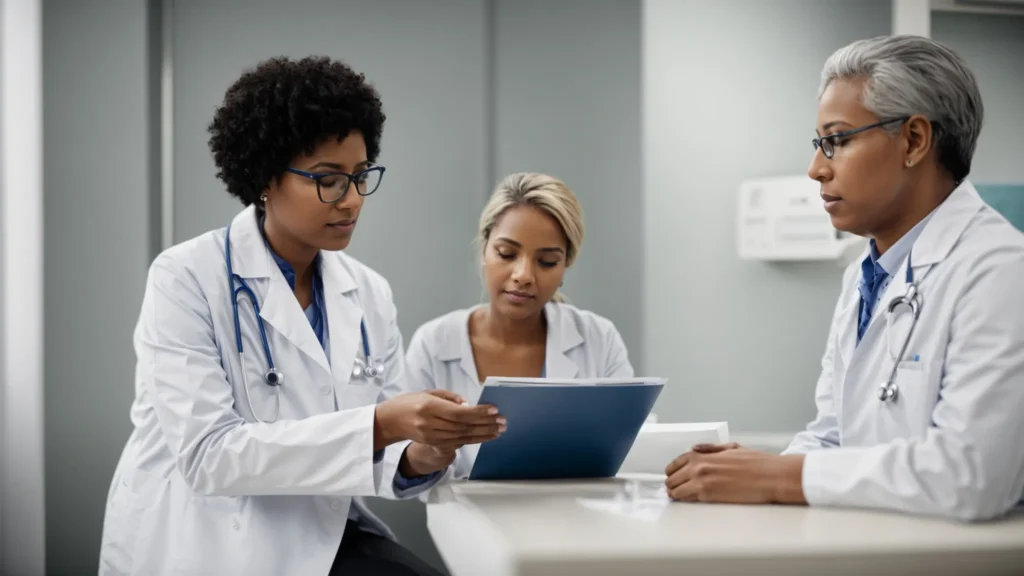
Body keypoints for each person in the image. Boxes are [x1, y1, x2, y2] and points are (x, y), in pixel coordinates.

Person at [98, 56, 504, 576]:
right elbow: (210, 456)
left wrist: (421, 452)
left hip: (321, 535)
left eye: (360, 177)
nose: (352, 199)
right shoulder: (186, 278)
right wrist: (384, 423)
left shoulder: (369, 293)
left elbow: (383, 449)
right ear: (267, 176)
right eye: (328, 180)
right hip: (207, 541)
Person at [663, 35, 1024, 521]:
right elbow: (835, 435)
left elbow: (971, 475)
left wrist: (777, 478)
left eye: (836, 141)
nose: (815, 169)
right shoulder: (865, 273)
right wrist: (752, 473)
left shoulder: (1000, 270)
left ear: (914, 141)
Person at [403, 172, 635, 479]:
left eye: (547, 262)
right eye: (507, 254)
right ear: (484, 249)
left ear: (565, 266)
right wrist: (431, 453)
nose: (524, 274)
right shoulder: (434, 343)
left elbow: (629, 446)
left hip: (576, 520)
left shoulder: (598, 338)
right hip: (469, 522)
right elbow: (400, 464)